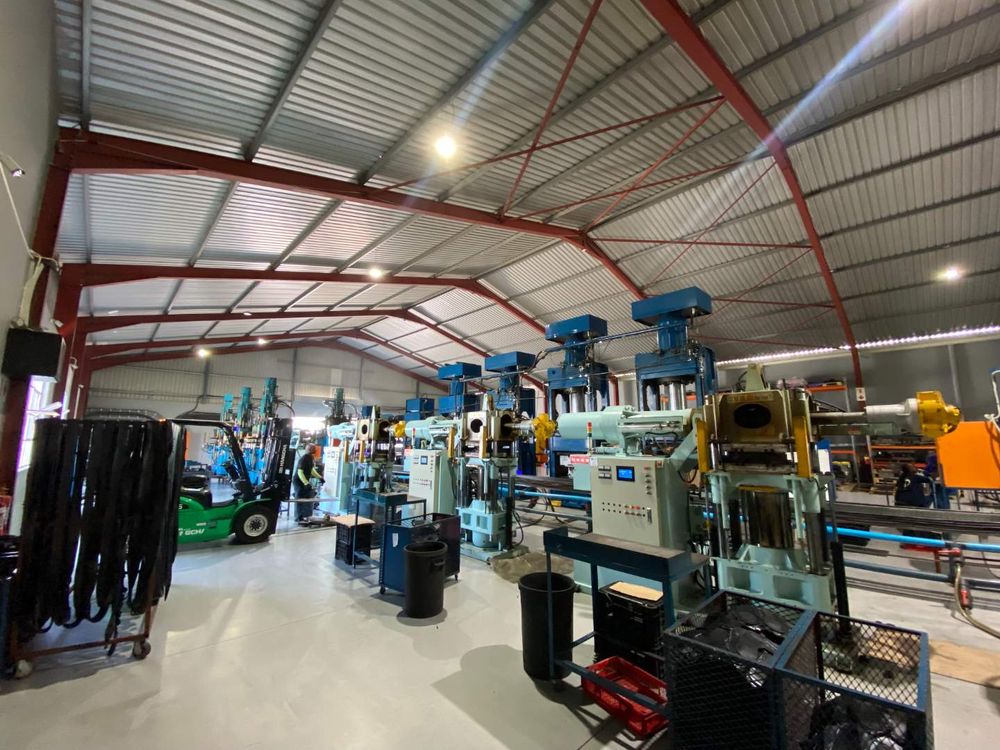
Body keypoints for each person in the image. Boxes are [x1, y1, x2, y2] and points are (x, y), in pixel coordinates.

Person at [293, 445, 324, 522]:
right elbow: (300, 472)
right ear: (309, 449)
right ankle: (298, 518)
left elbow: (312, 470)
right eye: (313, 449)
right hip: (298, 481)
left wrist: (320, 477)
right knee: (300, 498)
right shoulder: (303, 459)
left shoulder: (311, 458)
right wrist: (306, 483)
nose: (314, 450)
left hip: (304, 481)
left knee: (306, 498)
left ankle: (305, 515)